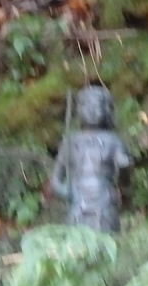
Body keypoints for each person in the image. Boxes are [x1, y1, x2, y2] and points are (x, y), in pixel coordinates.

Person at [50, 85, 131, 232]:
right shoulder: (71, 142)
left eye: (97, 106)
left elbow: (124, 183)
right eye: (86, 105)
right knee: (77, 240)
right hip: (77, 202)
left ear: (106, 110)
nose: (92, 111)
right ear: (78, 110)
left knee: (105, 239)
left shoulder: (114, 141)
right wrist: (67, 192)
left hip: (105, 202)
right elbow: (55, 180)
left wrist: (123, 170)